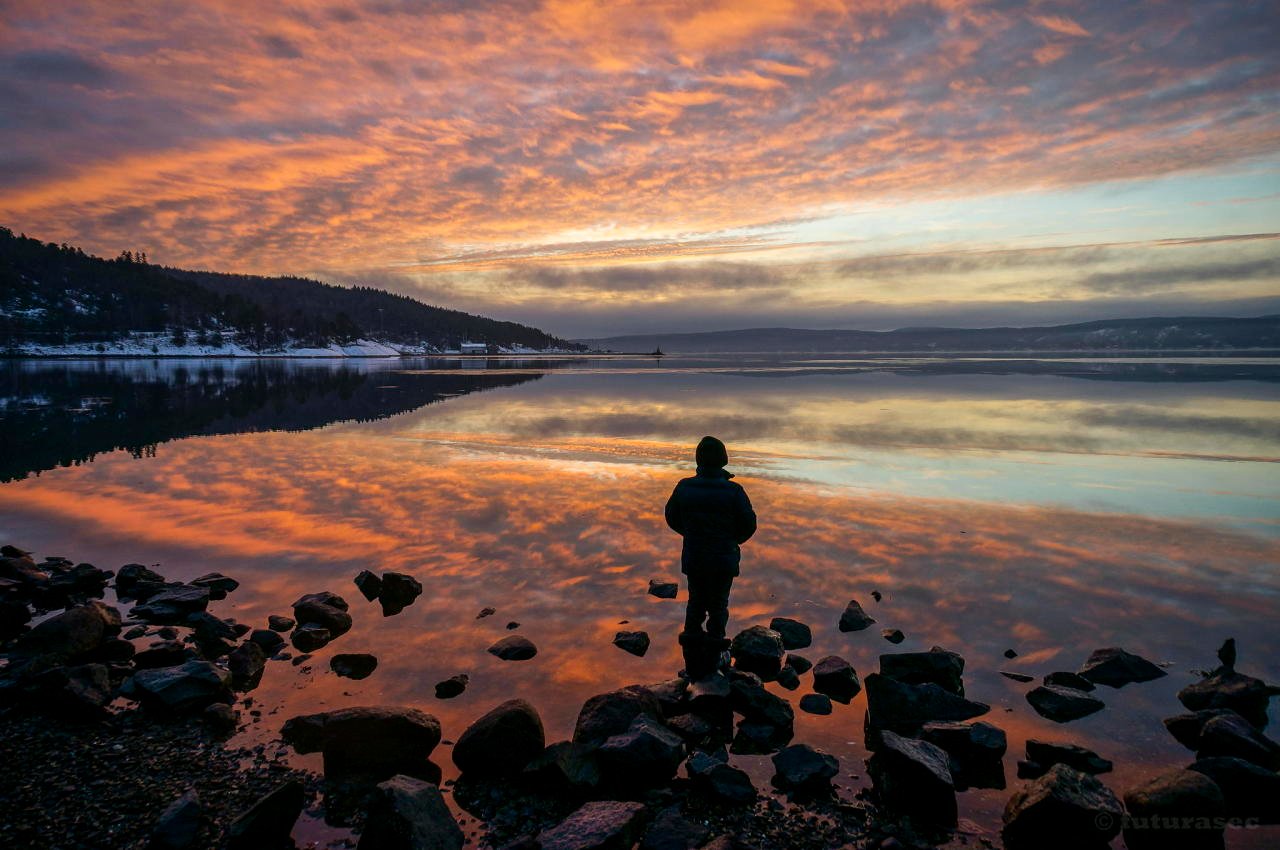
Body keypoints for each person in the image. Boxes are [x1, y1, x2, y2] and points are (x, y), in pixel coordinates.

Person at [664, 436, 757, 651]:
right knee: (718, 604)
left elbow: (671, 516)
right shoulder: (734, 491)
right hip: (723, 558)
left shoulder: (684, 487)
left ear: (699, 459)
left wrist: (690, 534)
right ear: (723, 460)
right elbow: (749, 524)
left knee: (696, 601)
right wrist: (732, 541)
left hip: (695, 555)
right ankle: (715, 649)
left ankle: (691, 647)